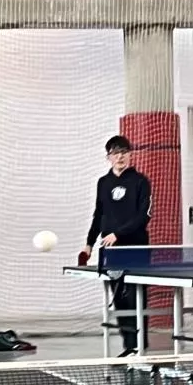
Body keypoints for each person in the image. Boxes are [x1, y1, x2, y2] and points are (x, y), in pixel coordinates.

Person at [82, 135, 152, 355]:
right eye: (115, 153)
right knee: (119, 298)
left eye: (124, 152)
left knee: (135, 297)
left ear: (130, 155)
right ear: (108, 157)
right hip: (111, 252)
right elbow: (98, 214)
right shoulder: (103, 183)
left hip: (136, 248)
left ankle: (140, 345)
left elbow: (144, 216)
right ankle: (129, 345)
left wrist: (118, 234)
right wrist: (89, 244)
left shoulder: (141, 182)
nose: (120, 156)